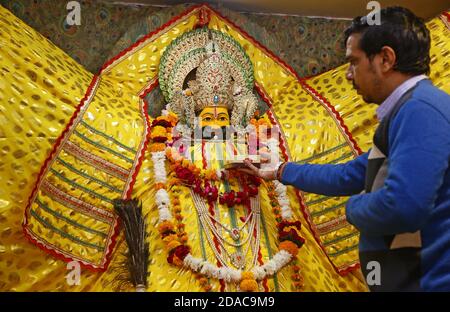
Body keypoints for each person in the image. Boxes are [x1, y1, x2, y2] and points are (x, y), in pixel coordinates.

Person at [243, 6, 450, 291]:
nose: (350, 76)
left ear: (385, 59)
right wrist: (280, 170)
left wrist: (353, 208)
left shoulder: (420, 110)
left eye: (354, 63)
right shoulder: (406, 111)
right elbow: (349, 176)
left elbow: (403, 206)